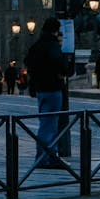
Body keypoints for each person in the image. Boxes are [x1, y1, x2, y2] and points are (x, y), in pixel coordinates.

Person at [24, 18, 73, 168]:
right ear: (55, 30)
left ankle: (47, 155)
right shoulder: (52, 46)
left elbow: (28, 62)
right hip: (52, 88)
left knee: (45, 122)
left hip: (40, 89)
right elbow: (60, 64)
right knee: (50, 124)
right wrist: (62, 71)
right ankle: (46, 157)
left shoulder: (37, 46)